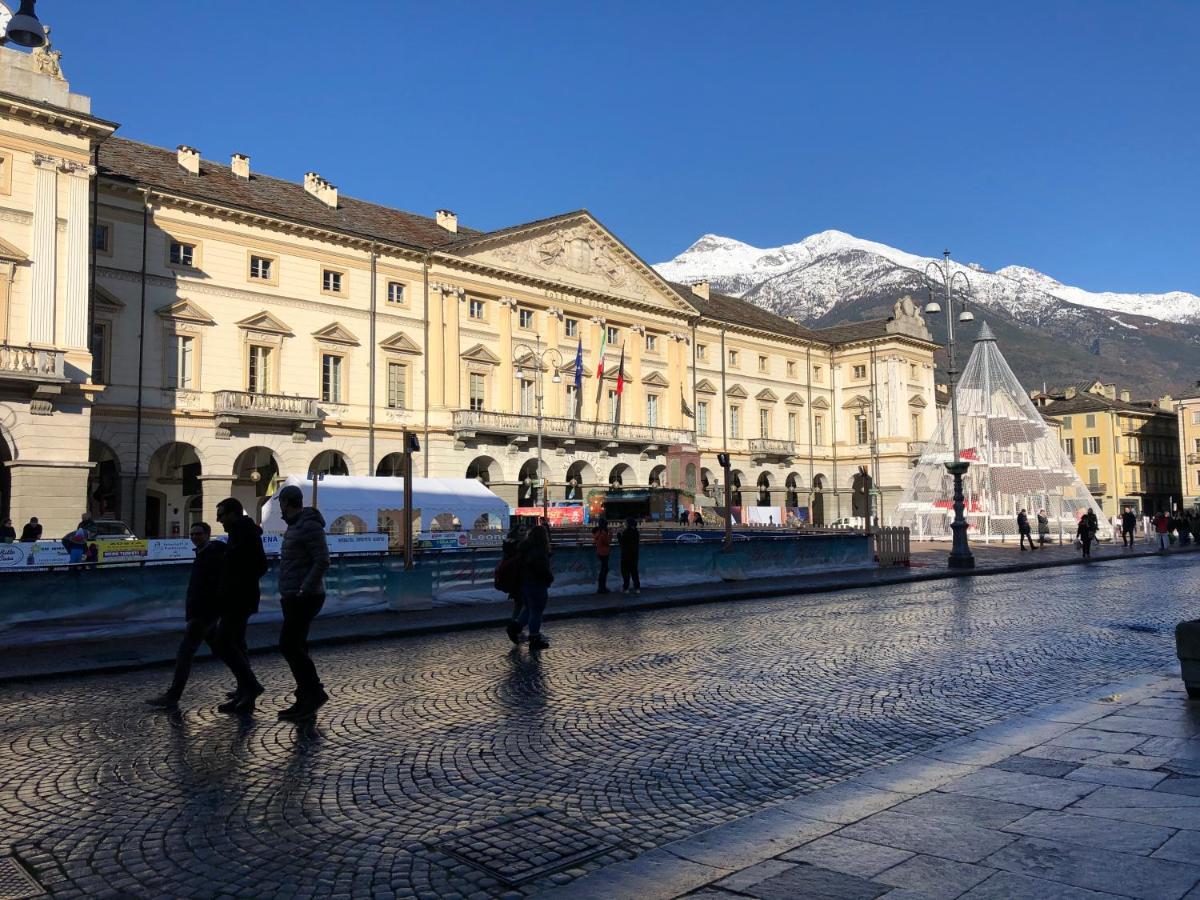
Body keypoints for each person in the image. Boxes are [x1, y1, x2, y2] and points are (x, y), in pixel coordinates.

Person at [145, 522, 232, 708]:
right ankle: (249, 683)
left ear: (208, 534)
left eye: (198, 533)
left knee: (185, 653)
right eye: (192, 533)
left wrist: (200, 612)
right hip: (205, 613)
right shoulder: (204, 553)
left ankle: (173, 695)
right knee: (224, 650)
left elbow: (208, 587)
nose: (194, 536)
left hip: (203, 614)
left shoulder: (211, 556)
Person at [275, 484, 331, 721]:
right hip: (293, 595)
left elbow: (322, 561)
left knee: (289, 645)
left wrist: (303, 589)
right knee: (298, 645)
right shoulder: (295, 526)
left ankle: (314, 693)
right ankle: (304, 698)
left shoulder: (308, 525)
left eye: (281, 502)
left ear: (286, 503)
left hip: (304, 596)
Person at [214, 498, 267, 713]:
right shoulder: (239, 533)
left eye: (222, 515)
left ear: (233, 514)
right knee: (236, 642)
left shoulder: (245, 535)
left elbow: (259, 565)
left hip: (239, 598)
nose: (219, 520)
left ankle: (251, 685)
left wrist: (237, 581)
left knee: (223, 642)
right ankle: (245, 691)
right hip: (238, 597)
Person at [514, 524, 553, 649]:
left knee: (528, 609)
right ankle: (534, 638)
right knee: (536, 612)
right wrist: (549, 578)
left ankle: (514, 627)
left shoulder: (525, 549)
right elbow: (541, 570)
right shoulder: (539, 552)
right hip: (537, 584)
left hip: (525, 583)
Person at [499, 523, 526, 643]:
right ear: (516, 531)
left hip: (513, 578)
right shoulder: (519, 545)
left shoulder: (507, 544)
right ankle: (515, 628)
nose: (524, 532)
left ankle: (515, 626)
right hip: (520, 578)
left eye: (525, 530)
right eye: (521, 530)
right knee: (526, 605)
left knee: (518, 604)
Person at [619, 517, 641, 594]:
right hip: (634, 555)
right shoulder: (636, 532)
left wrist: (619, 534)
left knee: (625, 572)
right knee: (634, 572)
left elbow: (621, 543)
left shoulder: (626, 532)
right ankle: (637, 588)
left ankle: (626, 588)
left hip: (626, 555)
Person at [592, 518, 611, 594]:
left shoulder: (598, 532)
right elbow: (607, 542)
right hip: (604, 553)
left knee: (603, 570)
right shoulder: (603, 532)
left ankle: (601, 587)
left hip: (600, 552)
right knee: (604, 570)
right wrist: (611, 535)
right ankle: (602, 588)